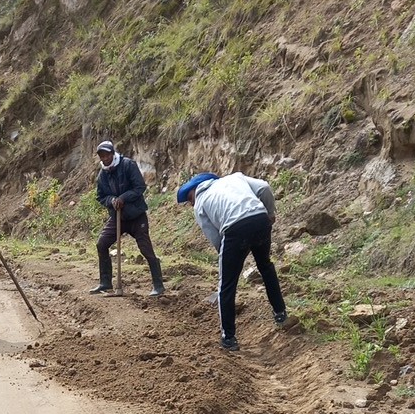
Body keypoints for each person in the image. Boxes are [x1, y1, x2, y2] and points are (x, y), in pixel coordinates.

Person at [177, 171, 287, 350]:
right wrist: (270, 214)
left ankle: (228, 337)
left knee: (227, 284)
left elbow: (215, 238)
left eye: (189, 198)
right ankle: (280, 313)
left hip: (234, 228)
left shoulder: (201, 203)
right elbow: (264, 187)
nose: (191, 203)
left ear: (196, 190)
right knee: (265, 265)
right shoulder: (236, 178)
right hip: (260, 218)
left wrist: (229, 257)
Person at [90, 140, 165, 296]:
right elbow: (100, 196)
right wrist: (111, 200)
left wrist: (123, 198)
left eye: (107, 155)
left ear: (113, 154)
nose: (105, 158)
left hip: (136, 215)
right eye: (102, 156)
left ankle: (158, 286)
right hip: (118, 217)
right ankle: (105, 283)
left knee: (145, 249)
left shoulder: (127, 165)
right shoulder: (102, 175)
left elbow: (140, 187)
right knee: (102, 244)